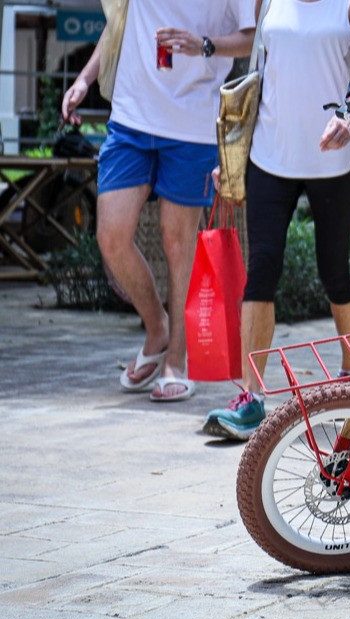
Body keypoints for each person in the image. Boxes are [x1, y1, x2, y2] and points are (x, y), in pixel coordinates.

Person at [203, 0, 350, 440]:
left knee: (334, 271)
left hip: (333, 159)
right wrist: (231, 154)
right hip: (269, 154)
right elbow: (257, 75)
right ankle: (251, 398)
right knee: (262, 268)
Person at [61, 1, 256, 402]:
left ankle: (176, 362)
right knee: (111, 237)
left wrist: (202, 45)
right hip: (131, 117)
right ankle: (157, 328)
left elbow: (250, 40)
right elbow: (121, 25)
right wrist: (84, 79)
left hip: (192, 123)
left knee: (177, 243)